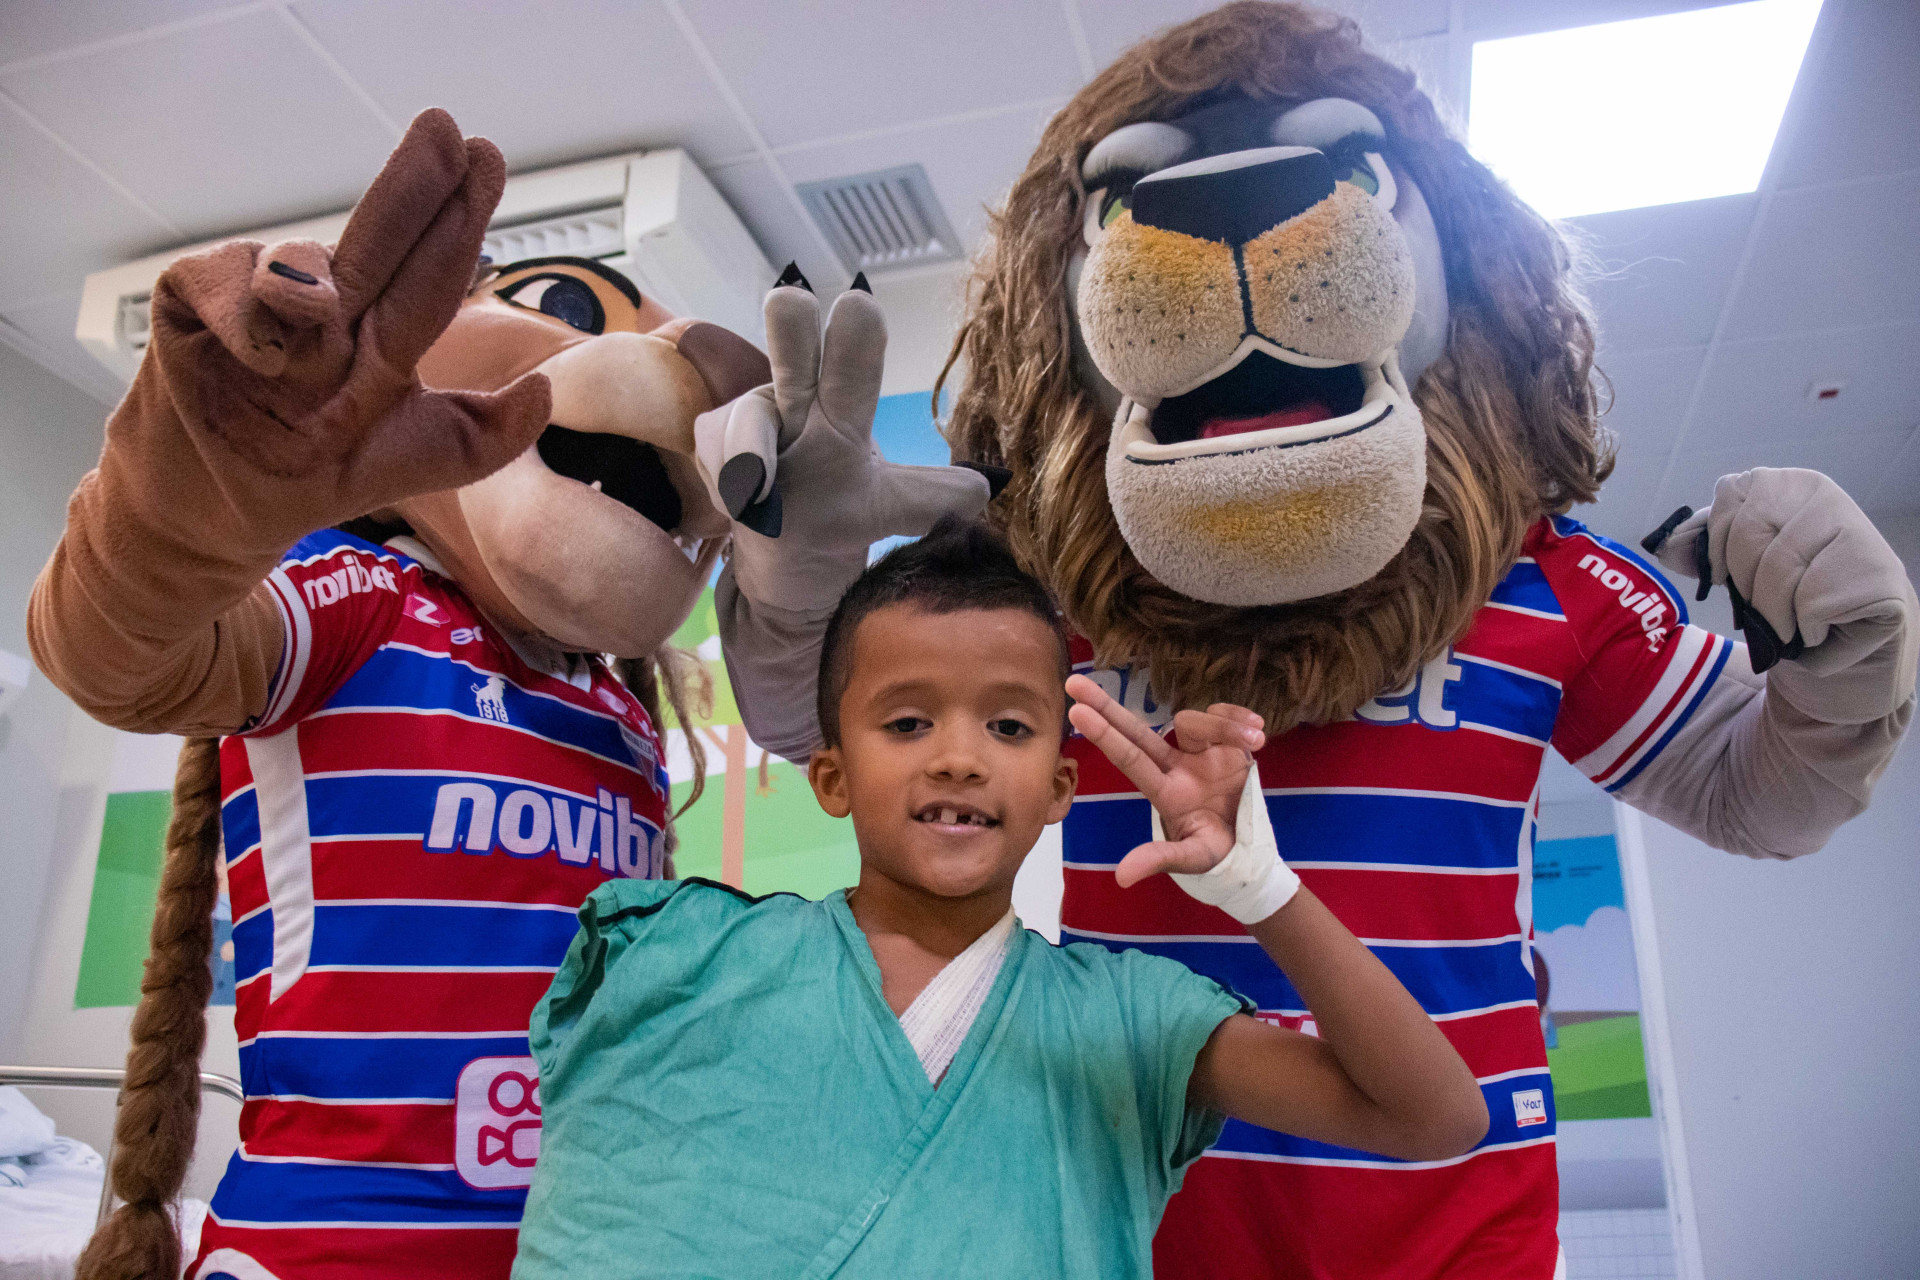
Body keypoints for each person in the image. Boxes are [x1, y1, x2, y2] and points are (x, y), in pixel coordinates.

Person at [510, 518, 1488, 1278]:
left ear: (1060, 790)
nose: (959, 757)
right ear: (832, 774)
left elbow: (1432, 1116)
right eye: (906, 720)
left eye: (1011, 726)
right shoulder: (678, 954)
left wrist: (1257, 885)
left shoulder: (1129, 1015)